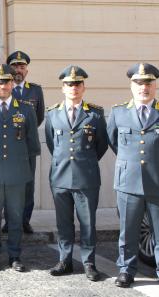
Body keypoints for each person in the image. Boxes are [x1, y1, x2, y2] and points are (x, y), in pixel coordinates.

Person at [108, 63, 159, 294]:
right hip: (128, 182)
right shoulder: (118, 112)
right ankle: (126, 270)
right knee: (128, 229)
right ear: (131, 85)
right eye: (139, 83)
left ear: (155, 85)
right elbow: (113, 142)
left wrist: (157, 164)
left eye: (148, 83)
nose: (144, 87)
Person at [43, 65, 108, 281]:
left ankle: (89, 262)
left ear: (83, 87)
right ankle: (65, 260)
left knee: (88, 223)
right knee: (64, 223)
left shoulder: (95, 114)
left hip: (86, 177)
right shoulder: (52, 114)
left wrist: (85, 163)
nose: (73, 88)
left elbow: (101, 145)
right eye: (69, 84)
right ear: (62, 88)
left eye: (77, 84)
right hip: (60, 177)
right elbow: (53, 145)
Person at [0, 64, 39, 272]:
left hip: (17, 173)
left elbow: (32, 143)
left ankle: (14, 256)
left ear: (13, 83)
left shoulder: (26, 109)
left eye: (7, 81)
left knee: (15, 216)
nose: (3, 85)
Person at [0, 51, 44, 234]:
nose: (18, 69)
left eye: (22, 66)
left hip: (27, 147)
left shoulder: (35, 90)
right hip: (7, 146)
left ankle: (25, 220)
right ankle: (10, 221)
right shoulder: (2, 87)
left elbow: (39, 117)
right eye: (15, 66)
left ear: (27, 70)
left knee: (27, 185)